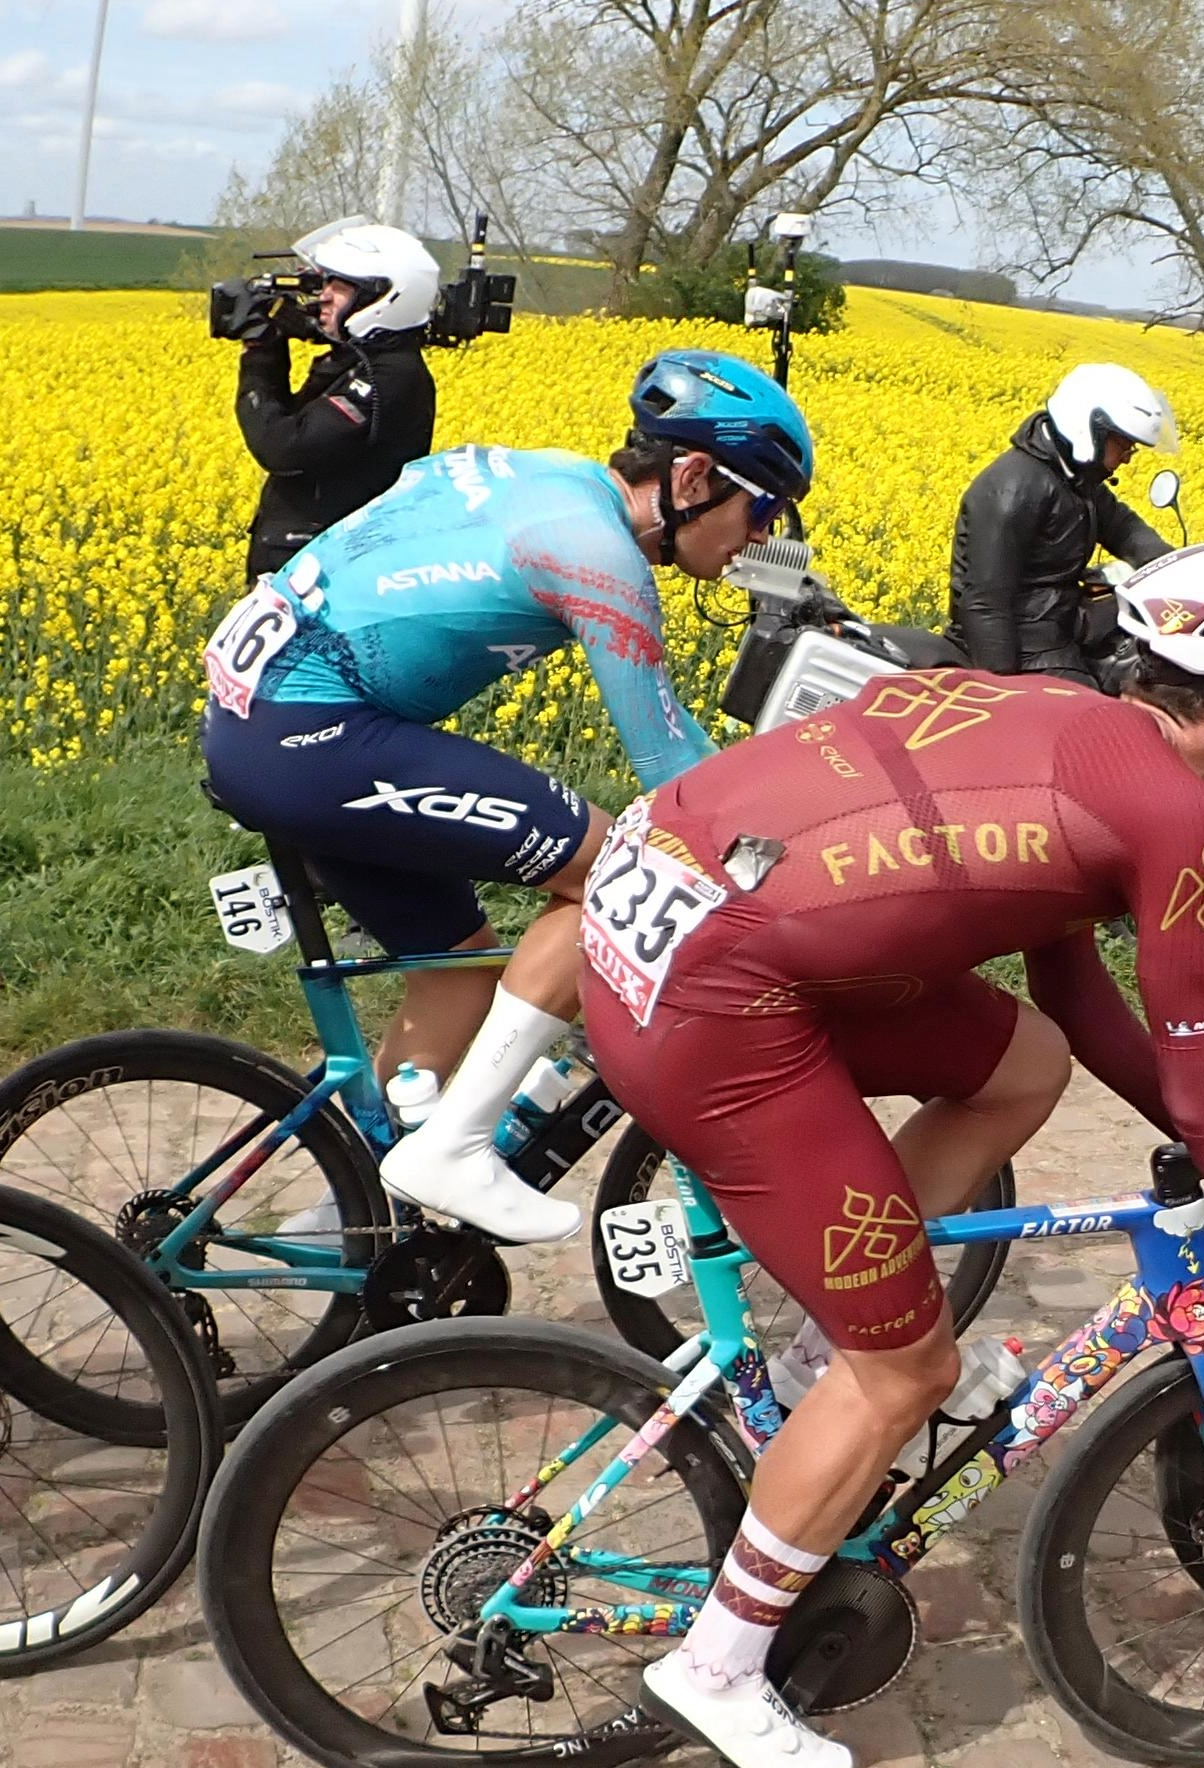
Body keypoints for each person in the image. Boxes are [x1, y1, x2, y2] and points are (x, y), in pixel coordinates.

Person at [577, 539, 1204, 1768]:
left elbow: (1082, 1015)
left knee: (1020, 1062)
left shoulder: (1062, 714)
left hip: (666, 911)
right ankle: (716, 1664)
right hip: (718, 1006)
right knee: (908, 1367)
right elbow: (1198, 1088)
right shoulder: (1177, 816)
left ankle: (829, 1338)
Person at [202, 350, 812, 1244]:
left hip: (265, 723)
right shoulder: (597, 556)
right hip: (311, 732)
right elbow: (671, 767)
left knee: (463, 973)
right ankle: (453, 1147)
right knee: (618, 871)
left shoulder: (545, 476)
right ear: (690, 476)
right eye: (760, 510)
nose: (760, 539)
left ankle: (357, 1227)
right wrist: (802, 826)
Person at [235, 221, 442, 584]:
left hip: (333, 580)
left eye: (340, 287)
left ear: (382, 299)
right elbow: (292, 421)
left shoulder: (386, 377)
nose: (323, 296)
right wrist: (276, 339)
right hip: (308, 571)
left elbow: (284, 447)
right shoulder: (360, 363)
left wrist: (258, 357)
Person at [947, 363, 1177, 679]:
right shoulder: (1014, 489)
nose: (1127, 456)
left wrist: (1180, 568)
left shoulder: (1078, 479)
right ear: (1090, 428)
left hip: (1061, 631)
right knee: (1106, 721)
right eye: (1123, 444)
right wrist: (1005, 690)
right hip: (1027, 648)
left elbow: (1126, 530)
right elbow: (985, 603)